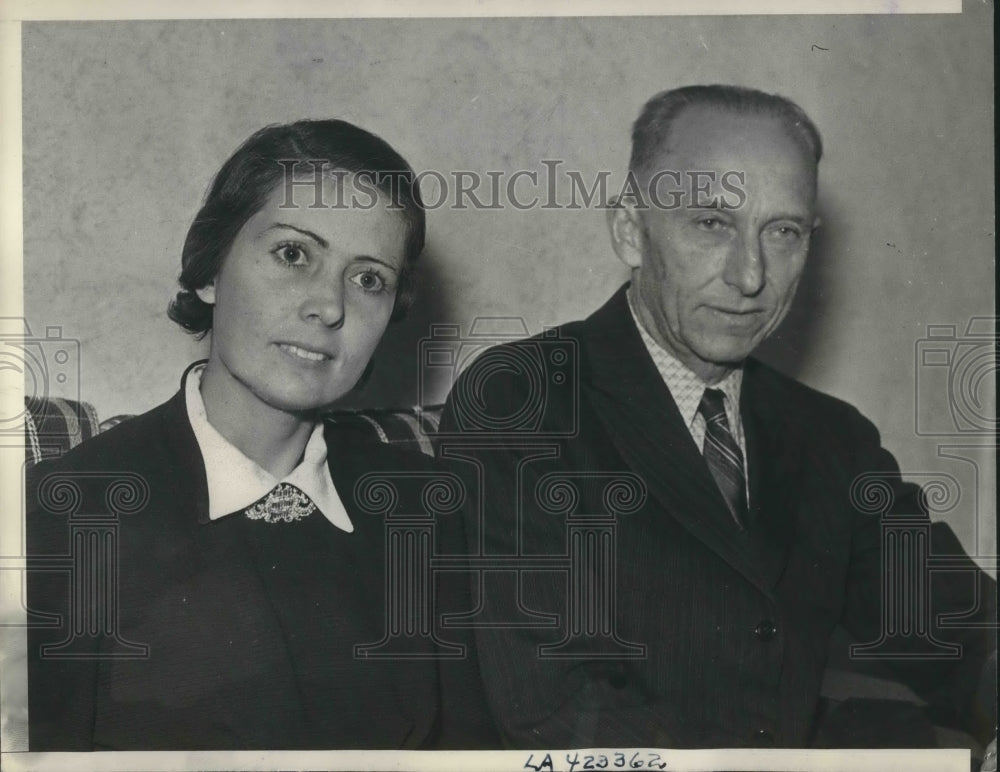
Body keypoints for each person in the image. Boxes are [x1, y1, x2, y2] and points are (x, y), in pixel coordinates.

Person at [438, 85, 996, 752]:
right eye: (711, 224)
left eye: (783, 232)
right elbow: (557, 713)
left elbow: (958, 627)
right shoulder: (520, 401)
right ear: (630, 230)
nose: (752, 275)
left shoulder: (830, 438)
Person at [26, 119, 496, 750]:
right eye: (293, 254)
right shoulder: (66, 513)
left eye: (368, 279)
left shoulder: (435, 509)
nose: (329, 307)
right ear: (208, 272)